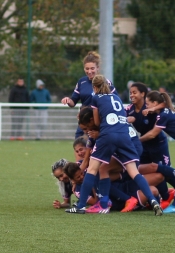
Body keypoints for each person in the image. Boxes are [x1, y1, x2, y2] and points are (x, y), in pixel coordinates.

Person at [65, 75, 162, 215]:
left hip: (108, 135)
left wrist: (97, 129)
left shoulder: (95, 98)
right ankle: (153, 201)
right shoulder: (117, 98)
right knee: (134, 171)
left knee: (93, 170)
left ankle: (81, 206)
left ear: (94, 87)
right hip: (124, 135)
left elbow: (97, 122)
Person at [126, 82, 174, 208]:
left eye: (134, 92)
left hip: (159, 144)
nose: (131, 95)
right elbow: (117, 114)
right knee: (143, 171)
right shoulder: (129, 109)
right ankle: (159, 197)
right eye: (130, 93)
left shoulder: (150, 107)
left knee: (166, 173)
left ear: (143, 94)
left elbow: (165, 104)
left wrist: (137, 141)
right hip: (144, 145)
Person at [60, 51, 118, 139]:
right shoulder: (81, 82)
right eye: (87, 69)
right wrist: (68, 100)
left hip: (98, 123)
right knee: (79, 145)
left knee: (95, 149)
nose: (89, 71)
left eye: (92, 68)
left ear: (98, 68)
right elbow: (73, 102)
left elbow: (114, 102)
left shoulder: (106, 83)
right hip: (84, 122)